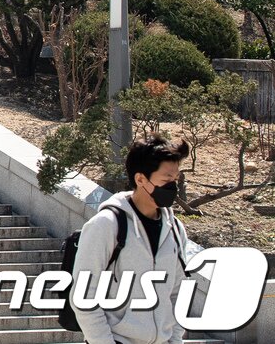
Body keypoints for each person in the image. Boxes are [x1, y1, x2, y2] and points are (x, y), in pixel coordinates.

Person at [71, 136, 193, 344]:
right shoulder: (106, 225)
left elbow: (178, 291)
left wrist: (174, 339)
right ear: (140, 179)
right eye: (166, 181)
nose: (173, 187)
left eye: (175, 180)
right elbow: (84, 296)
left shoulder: (174, 229)